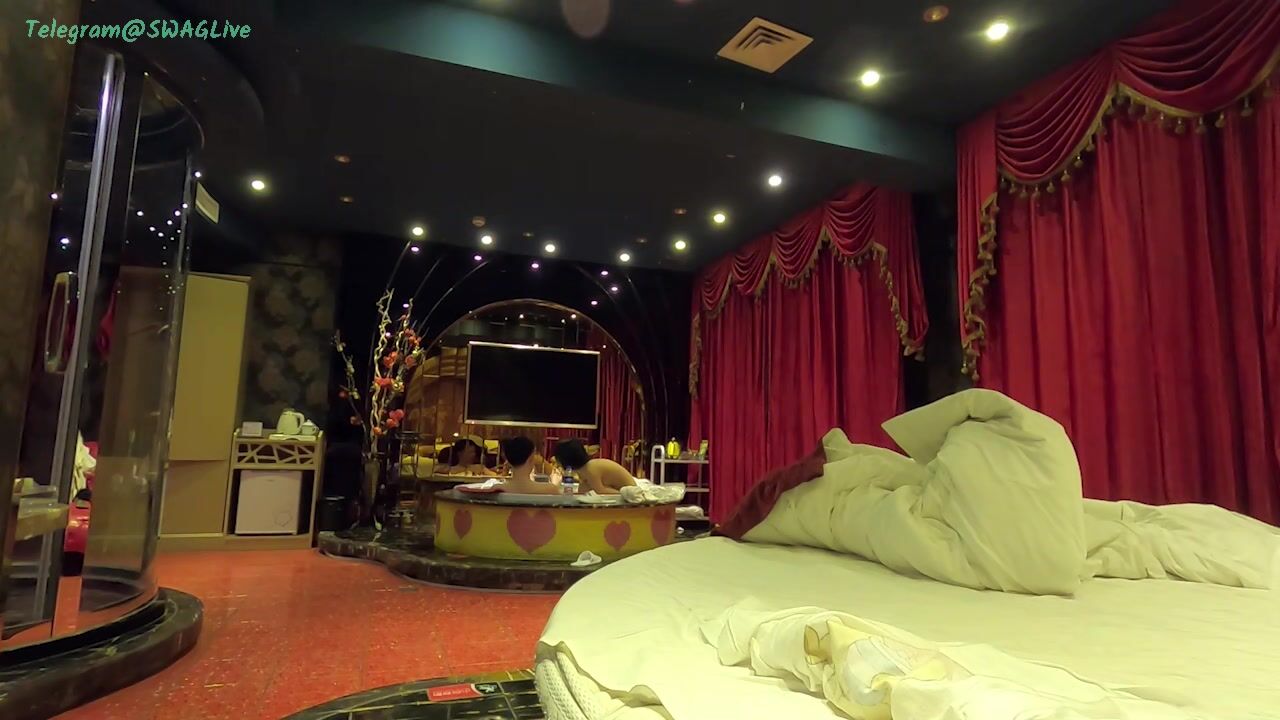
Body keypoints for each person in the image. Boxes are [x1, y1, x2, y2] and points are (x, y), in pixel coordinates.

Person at [553, 439, 637, 495]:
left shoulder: (590, 469)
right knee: (584, 489)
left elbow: (601, 492)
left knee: (589, 491)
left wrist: (624, 494)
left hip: (629, 491)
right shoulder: (585, 469)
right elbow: (582, 491)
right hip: (618, 487)